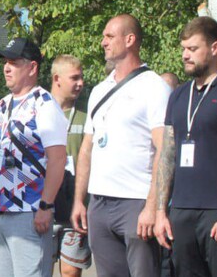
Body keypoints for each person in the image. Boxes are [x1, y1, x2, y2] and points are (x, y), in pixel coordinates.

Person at [154, 17, 217, 276]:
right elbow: (168, 154)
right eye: (183, 49)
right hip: (182, 212)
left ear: (214, 48)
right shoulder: (178, 95)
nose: (185, 56)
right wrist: (160, 212)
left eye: (193, 49)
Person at [70, 15, 170, 277]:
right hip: (100, 202)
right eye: (103, 36)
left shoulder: (154, 87)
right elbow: (87, 149)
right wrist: (80, 200)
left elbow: (165, 150)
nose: (103, 42)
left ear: (130, 40)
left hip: (135, 202)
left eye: (109, 36)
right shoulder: (99, 90)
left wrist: (153, 207)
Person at [0, 37, 68, 277]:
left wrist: (45, 205)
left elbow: (57, 160)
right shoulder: (3, 104)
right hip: (1, 210)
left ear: (32, 67)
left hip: (29, 211)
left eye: (14, 62)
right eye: (5, 61)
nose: (6, 67)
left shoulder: (44, 104)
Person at [48, 55, 92, 276]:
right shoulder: (39, 113)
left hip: (74, 208)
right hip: (43, 210)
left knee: (70, 272)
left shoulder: (87, 118)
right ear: (57, 79)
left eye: (82, 78)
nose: (81, 83)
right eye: (75, 78)